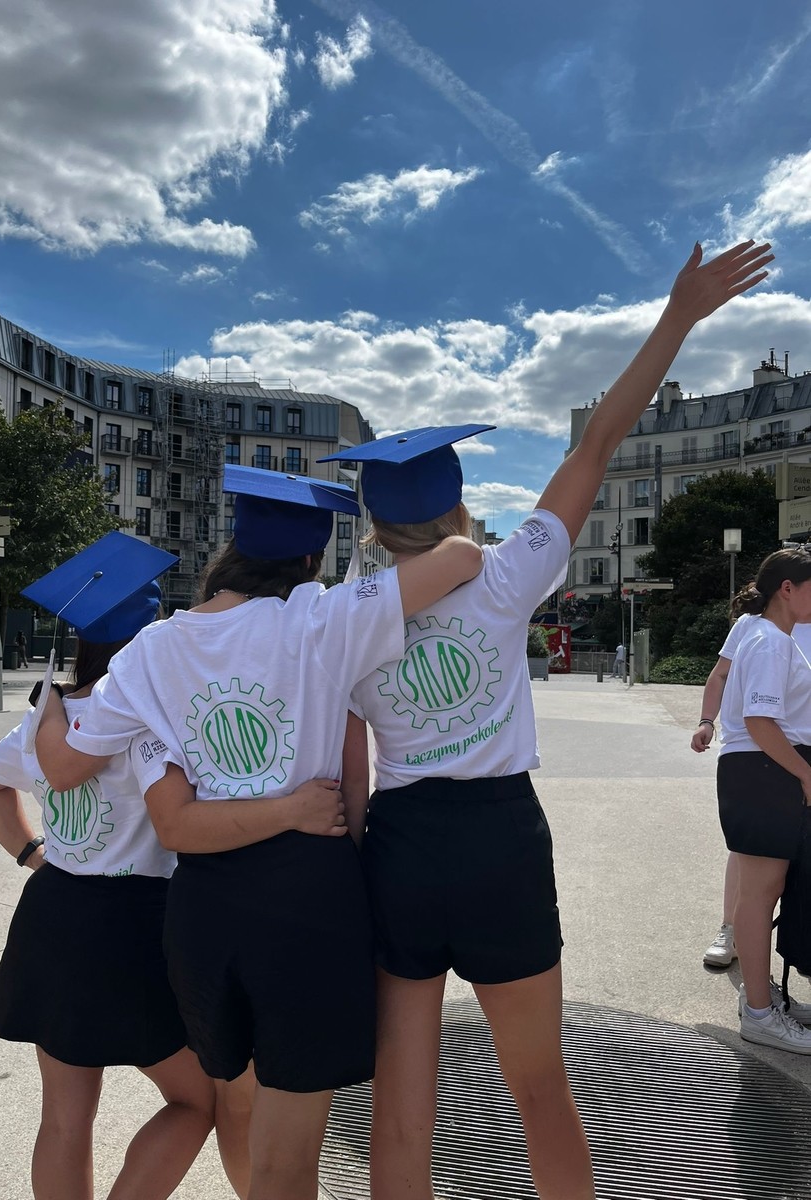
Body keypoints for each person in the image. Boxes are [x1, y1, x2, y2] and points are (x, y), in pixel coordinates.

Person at [319, 238, 773, 1200]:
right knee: (539, 1090)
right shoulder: (503, 574)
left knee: (401, 1108)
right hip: (499, 838)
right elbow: (595, 445)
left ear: (373, 520)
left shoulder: (344, 619)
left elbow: (341, 764)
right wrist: (678, 315)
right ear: (456, 506)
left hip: (401, 843)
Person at [33, 467, 484, 1200]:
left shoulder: (151, 649)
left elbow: (62, 769)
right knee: (290, 1153)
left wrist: (50, 705)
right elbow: (461, 558)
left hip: (203, 909)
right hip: (308, 900)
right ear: (309, 559)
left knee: (238, 1109)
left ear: (230, 550)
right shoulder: (322, 617)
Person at [0, 535, 254, 1200]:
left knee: (65, 1118)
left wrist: (32, 853)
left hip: (54, 911)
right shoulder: (155, 717)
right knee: (195, 1100)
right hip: (135, 922)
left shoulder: (48, 717)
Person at [717, 549, 811, 1051]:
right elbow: (759, 721)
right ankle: (759, 1012)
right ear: (787, 589)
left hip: (760, 769)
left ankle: (760, 997)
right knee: (760, 893)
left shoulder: (767, 636)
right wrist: (805, 773)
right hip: (764, 769)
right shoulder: (772, 641)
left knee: (763, 890)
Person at [694, 617, 811, 972]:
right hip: (764, 753)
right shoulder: (757, 623)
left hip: (803, 749)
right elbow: (721, 674)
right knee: (754, 860)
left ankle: (789, 954)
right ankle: (731, 930)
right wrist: (707, 720)